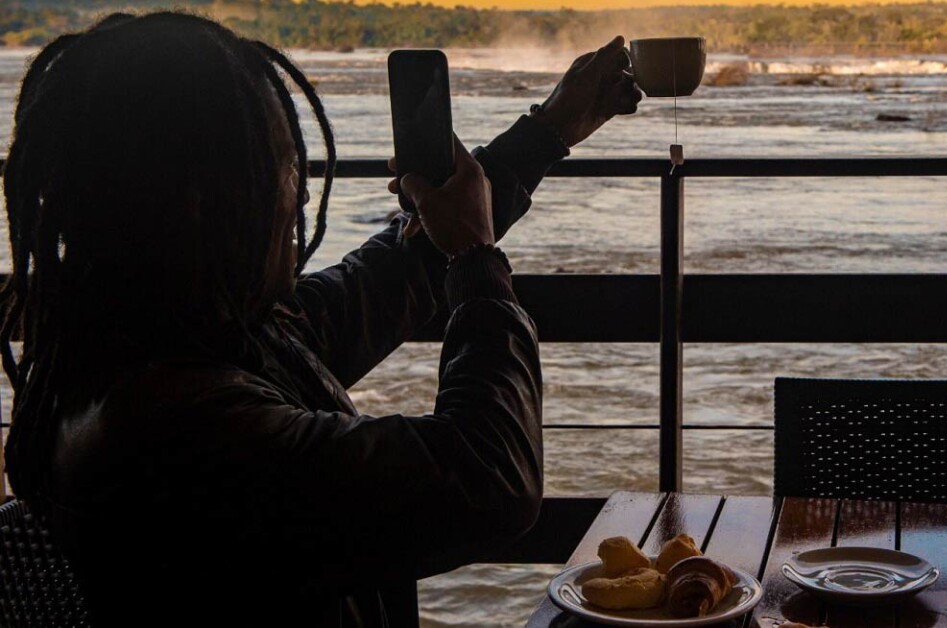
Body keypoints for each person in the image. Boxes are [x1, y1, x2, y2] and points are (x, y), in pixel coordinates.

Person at [0, 12, 640, 627]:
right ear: (201, 201)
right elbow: (487, 478)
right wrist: (477, 264)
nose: (303, 192)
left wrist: (549, 131)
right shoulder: (182, 436)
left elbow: (380, 282)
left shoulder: (169, 342)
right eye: (283, 167)